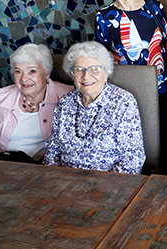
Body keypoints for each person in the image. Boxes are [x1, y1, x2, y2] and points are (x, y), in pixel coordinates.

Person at [95, 0, 167, 174]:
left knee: (164, 137)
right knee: (132, 138)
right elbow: (102, 56)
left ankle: (166, 182)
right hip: (125, 90)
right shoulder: (104, 17)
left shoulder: (153, 6)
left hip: (160, 86)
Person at [44, 41, 145, 174]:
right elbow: (52, 150)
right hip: (65, 181)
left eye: (94, 69)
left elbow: (132, 159)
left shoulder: (123, 102)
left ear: (106, 73)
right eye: (79, 70)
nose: (86, 76)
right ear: (72, 75)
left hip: (108, 184)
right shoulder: (65, 103)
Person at [0, 43, 73, 162]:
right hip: (1, 165)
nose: (24, 79)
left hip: (43, 169)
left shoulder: (68, 97)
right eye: (18, 71)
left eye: (32, 71)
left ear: (47, 74)